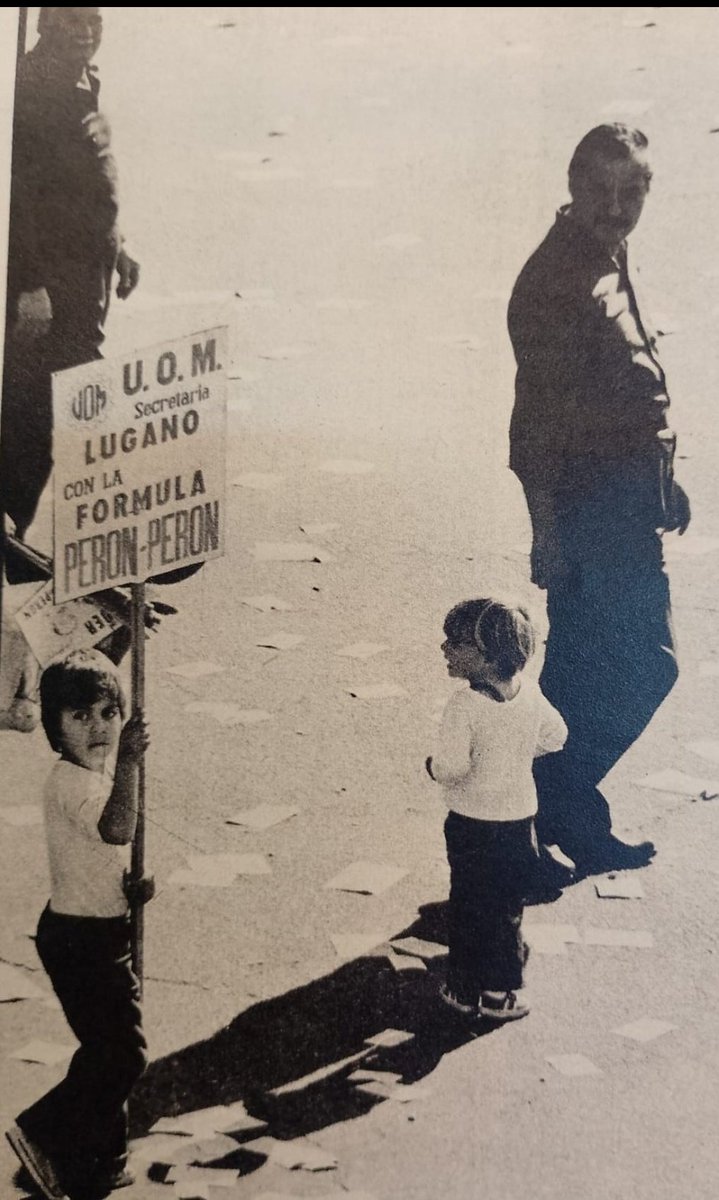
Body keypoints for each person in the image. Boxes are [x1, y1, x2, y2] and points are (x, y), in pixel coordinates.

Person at [507, 124, 690, 876]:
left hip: (626, 503)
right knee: (643, 665)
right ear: (573, 187)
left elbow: (626, 390)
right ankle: (538, 806)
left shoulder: (604, 253)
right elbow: (533, 429)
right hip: (588, 513)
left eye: (632, 191)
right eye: (601, 191)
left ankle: (549, 821)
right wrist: (546, 536)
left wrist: (663, 481)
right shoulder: (556, 283)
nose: (617, 207)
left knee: (582, 677)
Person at [6, 649, 149, 1200]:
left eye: (109, 713)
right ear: (54, 727)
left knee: (106, 1048)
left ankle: (101, 1161)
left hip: (97, 925)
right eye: (80, 716)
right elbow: (116, 830)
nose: (98, 728)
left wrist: (132, 887)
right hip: (81, 939)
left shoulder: (96, 773)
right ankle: (41, 1131)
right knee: (122, 1055)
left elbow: (106, 854)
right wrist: (130, 762)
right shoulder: (73, 783)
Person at [1, 7, 139, 542]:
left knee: (65, 397)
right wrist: (29, 284)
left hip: (87, 272)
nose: (86, 31)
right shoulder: (30, 89)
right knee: (39, 406)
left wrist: (118, 243)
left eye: (94, 20)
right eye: (72, 19)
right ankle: (12, 523)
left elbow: (86, 180)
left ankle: (15, 527)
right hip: (49, 281)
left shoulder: (82, 77)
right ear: (44, 25)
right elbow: (18, 196)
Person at [426, 598, 567, 1022]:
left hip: (471, 824)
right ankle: (499, 990)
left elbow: (452, 768)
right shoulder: (530, 693)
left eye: (455, 643)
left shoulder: (464, 705)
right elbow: (557, 736)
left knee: (468, 903)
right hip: (519, 822)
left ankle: (464, 988)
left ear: (486, 656)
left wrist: (433, 768)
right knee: (505, 907)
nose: (444, 649)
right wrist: (518, 754)